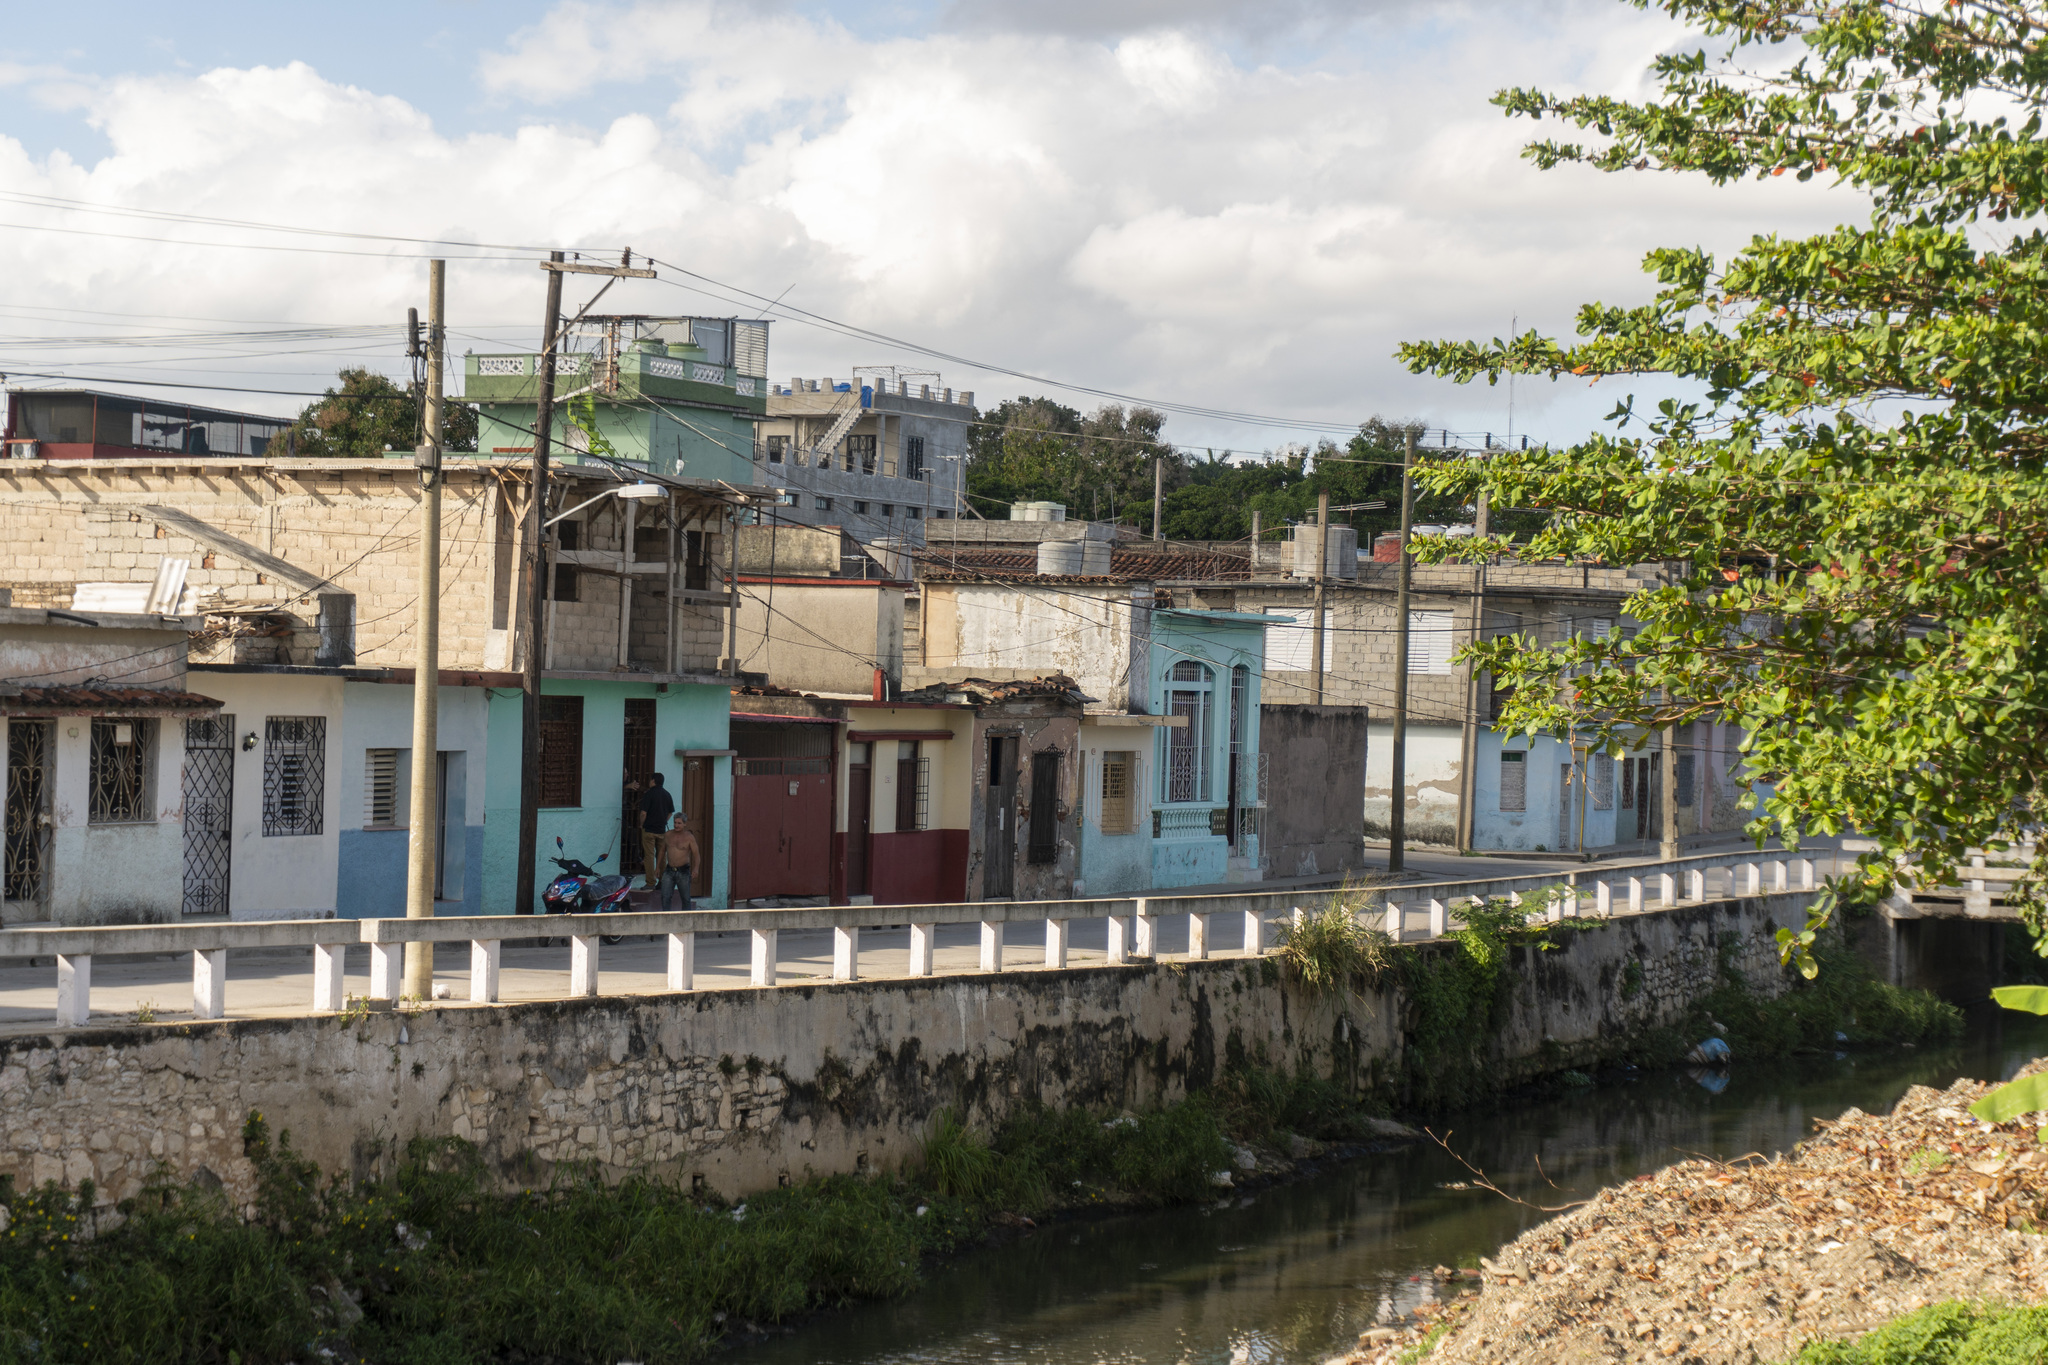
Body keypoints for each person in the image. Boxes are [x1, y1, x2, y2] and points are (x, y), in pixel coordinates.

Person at [637, 772, 674, 889]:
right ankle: (662, 882)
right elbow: (670, 813)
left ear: (653, 781)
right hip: (661, 831)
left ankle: (650, 882)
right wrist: (664, 821)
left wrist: (641, 824)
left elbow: (643, 813)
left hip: (649, 830)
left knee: (649, 856)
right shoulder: (667, 794)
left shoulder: (649, 794)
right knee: (662, 856)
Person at [659, 813, 700, 912]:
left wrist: (696, 868)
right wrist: (657, 867)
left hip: (683, 871)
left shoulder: (689, 837)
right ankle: (666, 918)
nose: (676, 825)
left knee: (685, 898)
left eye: (679, 823)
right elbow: (662, 851)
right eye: (675, 823)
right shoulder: (668, 835)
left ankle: (686, 921)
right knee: (665, 896)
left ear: (684, 824)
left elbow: (696, 854)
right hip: (669, 870)